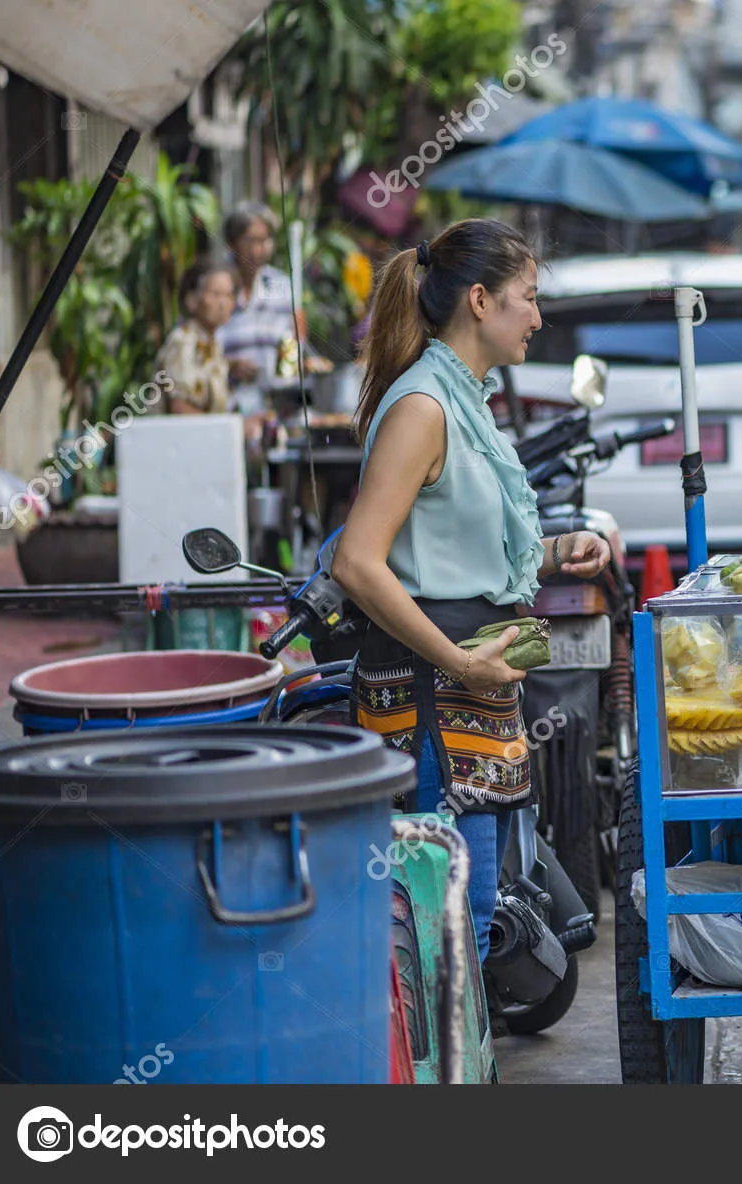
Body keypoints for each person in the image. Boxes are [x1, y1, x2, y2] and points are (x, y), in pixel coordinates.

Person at [331, 219, 611, 963]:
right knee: (440, 927)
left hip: (473, 693)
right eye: (528, 298)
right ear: (481, 301)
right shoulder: (423, 407)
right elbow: (358, 563)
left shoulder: (468, 402)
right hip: (430, 692)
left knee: (466, 917)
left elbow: (455, 548)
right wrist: (458, 663)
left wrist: (555, 551)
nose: (538, 317)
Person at [216, 203, 295, 415]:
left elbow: (292, 344)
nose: (257, 249)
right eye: (250, 241)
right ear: (232, 243)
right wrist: (228, 366)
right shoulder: (214, 287)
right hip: (225, 408)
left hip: (270, 408)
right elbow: (194, 350)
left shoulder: (280, 286)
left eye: (264, 241)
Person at [153, 259, 237, 414]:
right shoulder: (183, 342)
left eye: (229, 295)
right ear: (192, 300)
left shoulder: (212, 344)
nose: (223, 303)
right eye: (216, 294)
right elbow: (180, 408)